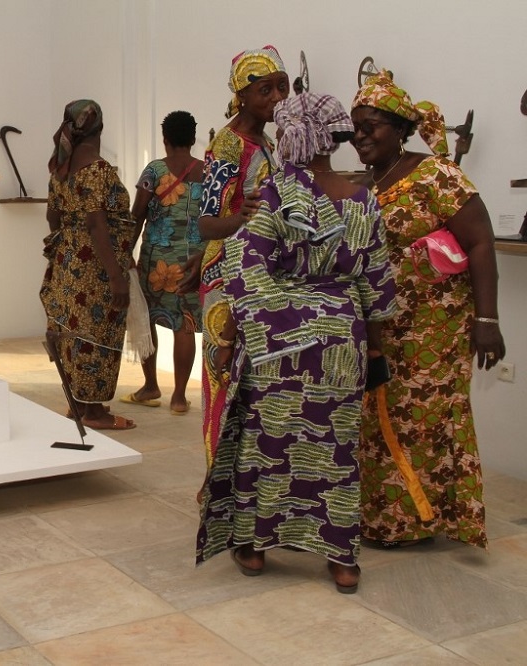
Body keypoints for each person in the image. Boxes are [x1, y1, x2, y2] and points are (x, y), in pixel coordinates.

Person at [195, 91, 397, 594]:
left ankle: (256, 548)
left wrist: (234, 338)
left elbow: (245, 272)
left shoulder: (277, 196)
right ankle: (341, 560)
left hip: (278, 344)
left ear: (291, 136)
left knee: (270, 445)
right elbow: (376, 283)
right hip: (340, 343)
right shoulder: (362, 197)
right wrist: (374, 349)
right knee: (335, 449)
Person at [350, 72, 505, 549]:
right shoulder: (367, 181)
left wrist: (487, 320)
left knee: (424, 422)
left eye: (371, 126)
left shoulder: (436, 174)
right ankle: (381, 519)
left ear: (400, 129)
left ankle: (420, 520)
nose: (360, 136)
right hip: (383, 329)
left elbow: (480, 242)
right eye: (355, 127)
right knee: (378, 422)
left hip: (433, 330)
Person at [197, 46, 289, 487]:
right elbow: (206, 223)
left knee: (254, 379)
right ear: (242, 94)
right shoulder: (228, 144)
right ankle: (215, 480)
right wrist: (244, 216)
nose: (276, 97)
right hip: (226, 279)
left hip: (260, 275)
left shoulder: (267, 142)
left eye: (281, 87)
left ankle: (249, 477)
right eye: (264, 89)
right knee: (221, 375)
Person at [41, 100, 138, 431]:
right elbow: (98, 225)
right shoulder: (98, 171)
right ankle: (94, 412)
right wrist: (115, 277)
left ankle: (79, 405)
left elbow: (52, 217)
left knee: (74, 335)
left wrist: (71, 249)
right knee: (99, 335)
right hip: (97, 268)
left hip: (68, 265)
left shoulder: (61, 169)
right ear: (99, 128)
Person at [123, 110, 204, 415]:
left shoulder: (154, 170)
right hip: (192, 263)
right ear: (193, 138)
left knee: (148, 319)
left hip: (157, 260)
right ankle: (180, 397)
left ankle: (150, 385)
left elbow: (137, 214)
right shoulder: (207, 172)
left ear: (165, 139)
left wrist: (125, 251)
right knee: (185, 323)